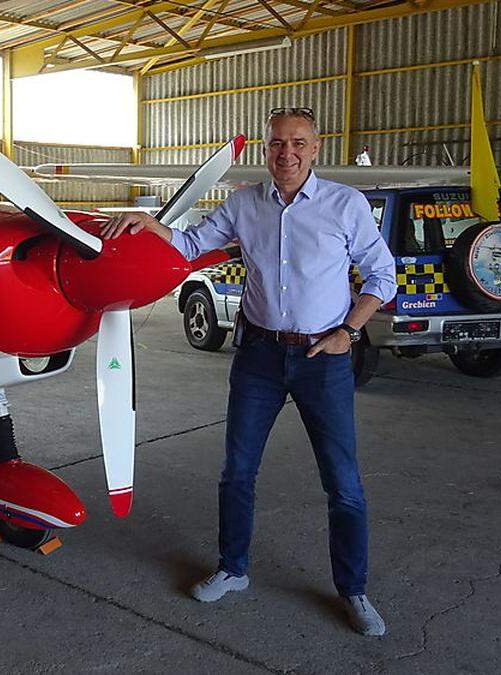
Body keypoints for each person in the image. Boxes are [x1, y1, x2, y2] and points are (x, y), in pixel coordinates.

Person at [101, 107, 396, 637]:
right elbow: (192, 245)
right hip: (258, 355)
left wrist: (348, 332)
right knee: (237, 470)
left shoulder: (344, 205)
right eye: (278, 143)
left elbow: (383, 274)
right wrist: (154, 226)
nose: (288, 153)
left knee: (343, 482)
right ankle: (233, 568)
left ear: (316, 147)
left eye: (298, 143)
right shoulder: (243, 204)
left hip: (321, 359)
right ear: (266, 150)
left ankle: (354, 589)